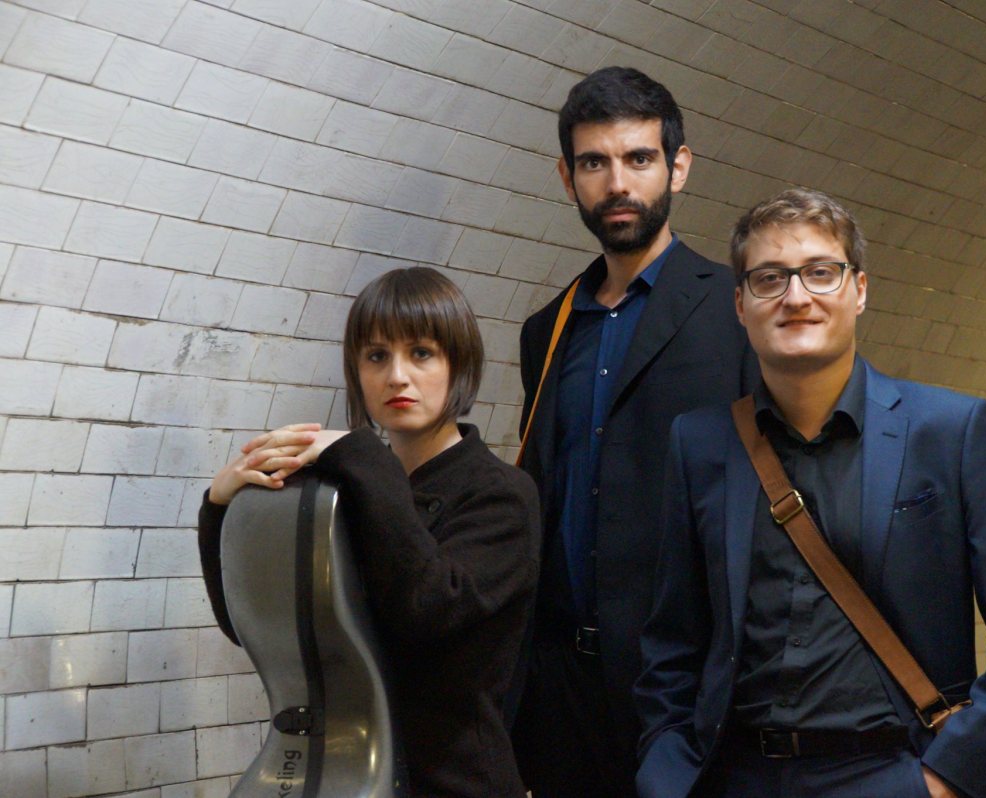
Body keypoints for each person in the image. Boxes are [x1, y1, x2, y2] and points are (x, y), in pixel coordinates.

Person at [635, 188, 986, 798]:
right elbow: (672, 641)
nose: (796, 297)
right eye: (769, 278)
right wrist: (666, 773)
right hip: (736, 776)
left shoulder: (951, 431)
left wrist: (947, 779)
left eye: (821, 272)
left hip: (895, 773)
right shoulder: (700, 443)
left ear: (859, 290)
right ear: (740, 304)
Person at [198, 267, 540, 798]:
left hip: (457, 782)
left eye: (421, 353)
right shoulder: (345, 488)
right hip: (345, 775)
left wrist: (361, 455)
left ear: (459, 364)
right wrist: (220, 507)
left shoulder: (502, 495)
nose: (397, 376)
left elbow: (428, 610)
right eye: (377, 356)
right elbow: (255, 626)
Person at [511, 67, 759, 798]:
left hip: (687, 691)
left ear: (678, 167)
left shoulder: (738, 311)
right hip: (563, 691)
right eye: (594, 163)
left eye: (638, 159)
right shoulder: (546, 329)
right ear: (568, 178)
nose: (616, 183)